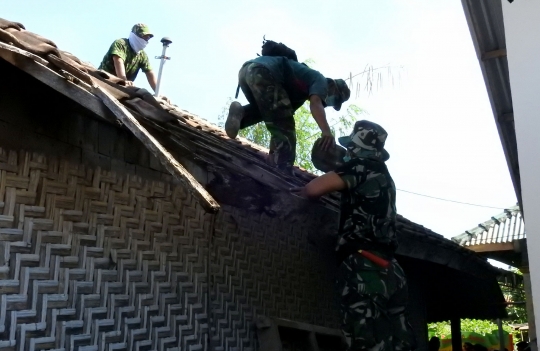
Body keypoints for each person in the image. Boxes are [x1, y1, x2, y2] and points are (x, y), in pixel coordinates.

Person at [290, 120, 415, 351]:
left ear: (356, 149)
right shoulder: (385, 177)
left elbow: (313, 189)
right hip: (391, 269)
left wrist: (303, 189)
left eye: (350, 148)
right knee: (399, 343)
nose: (346, 153)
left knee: (364, 342)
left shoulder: (360, 167)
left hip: (365, 266)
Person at [225, 55, 350, 175]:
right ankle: (281, 168)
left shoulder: (299, 95)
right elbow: (315, 103)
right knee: (286, 128)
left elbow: (278, 119)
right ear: (332, 86)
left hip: (247, 72)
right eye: (335, 100)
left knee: (272, 112)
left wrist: (274, 150)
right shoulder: (320, 80)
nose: (328, 103)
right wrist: (326, 132)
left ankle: (241, 114)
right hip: (263, 73)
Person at [98, 23, 158, 91]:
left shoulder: (142, 55)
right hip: (104, 79)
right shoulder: (121, 44)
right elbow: (118, 61)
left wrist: (158, 92)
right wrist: (123, 80)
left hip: (121, 87)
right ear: (135, 35)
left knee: (143, 93)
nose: (146, 40)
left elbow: (150, 73)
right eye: (144, 37)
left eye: (147, 38)